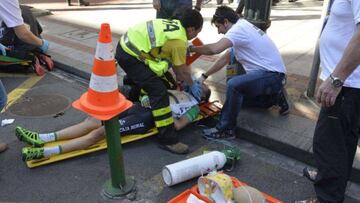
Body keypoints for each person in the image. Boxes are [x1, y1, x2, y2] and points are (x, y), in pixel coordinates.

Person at [16, 86, 211, 161]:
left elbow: (176, 126)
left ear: (202, 97)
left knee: (99, 133)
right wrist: (147, 98)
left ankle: (44, 152)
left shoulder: (193, 107)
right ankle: (42, 138)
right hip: (138, 107)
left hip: (146, 119)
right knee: (92, 121)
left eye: (201, 88)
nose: (197, 84)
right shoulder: (179, 89)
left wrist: (164, 110)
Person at [189, 6, 289, 139]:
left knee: (234, 85)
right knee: (238, 101)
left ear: (226, 22)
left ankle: (226, 129)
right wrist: (204, 76)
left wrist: (191, 48)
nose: (219, 32)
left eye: (218, 26)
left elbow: (215, 49)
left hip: (271, 76)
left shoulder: (238, 30)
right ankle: (275, 97)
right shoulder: (242, 27)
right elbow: (224, 58)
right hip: (271, 76)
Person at [115, 8, 203, 154]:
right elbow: (181, 70)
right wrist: (192, 84)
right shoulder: (179, 40)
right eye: (197, 33)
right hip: (131, 54)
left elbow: (176, 68)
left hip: (127, 45)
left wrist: (182, 80)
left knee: (153, 80)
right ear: (191, 29)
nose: (194, 37)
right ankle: (168, 140)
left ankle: (128, 90)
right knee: (159, 92)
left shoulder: (171, 25)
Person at [297, 1, 360, 203]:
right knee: (342, 145)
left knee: (329, 147)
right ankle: (329, 178)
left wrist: (336, 79)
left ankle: (327, 197)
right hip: (348, 84)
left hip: (347, 85)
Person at [0, 2, 52, 75]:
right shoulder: (24, 9)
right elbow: (34, 31)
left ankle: (31, 59)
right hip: (30, 44)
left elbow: (23, 34)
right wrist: (42, 43)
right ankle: (35, 55)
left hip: (16, 47)